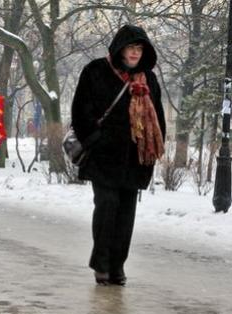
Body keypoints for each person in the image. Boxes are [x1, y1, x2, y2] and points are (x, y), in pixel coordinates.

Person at [71, 25, 166, 286]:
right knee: (107, 206)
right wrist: (95, 139)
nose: (135, 53)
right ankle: (101, 263)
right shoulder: (96, 71)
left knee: (126, 214)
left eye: (139, 49)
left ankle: (117, 266)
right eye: (130, 48)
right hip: (104, 157)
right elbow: (80, 110)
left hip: (135, 160)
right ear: (120, 49)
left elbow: (158, 117)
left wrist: (153, 151)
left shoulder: (149, 79)